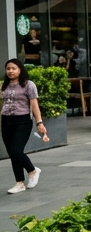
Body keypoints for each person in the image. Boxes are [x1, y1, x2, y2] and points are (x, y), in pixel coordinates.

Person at [2, 59, 46, 194]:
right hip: (6, 121)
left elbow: (34, 104)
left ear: (20, 69)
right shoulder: (4, 85)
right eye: (8, 68)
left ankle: (32, 170)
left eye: (13, 68)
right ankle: (19, 183)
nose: (10, 71)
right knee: (12, 153)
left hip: (23, 121)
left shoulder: (28, 85)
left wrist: (39, 122)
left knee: (16, 150)